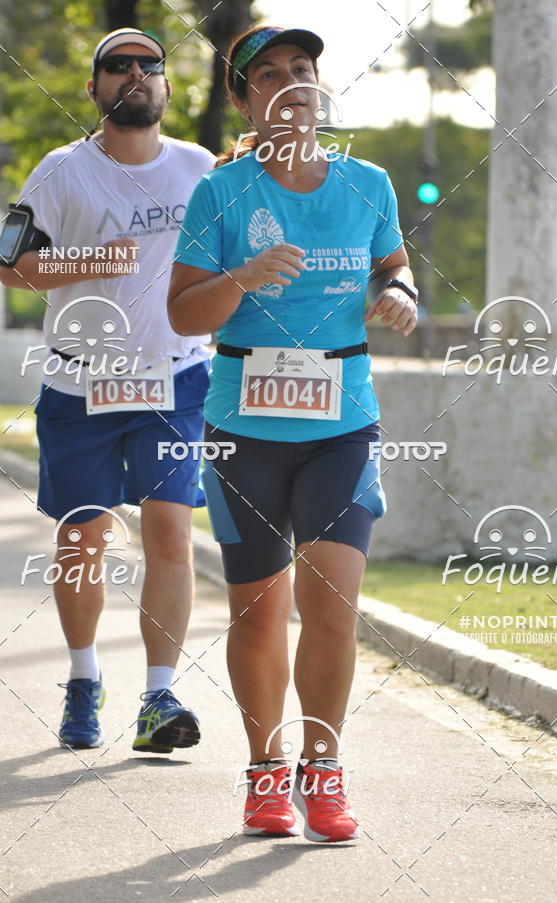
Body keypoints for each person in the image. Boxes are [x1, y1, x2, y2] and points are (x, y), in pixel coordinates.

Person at [168, 25, 418, 842]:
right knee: (257, 610)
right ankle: (265, 771)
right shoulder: (222, 192)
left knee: (334, 605)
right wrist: (240, 277)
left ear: (320, 87)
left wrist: (401, 296)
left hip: (340, 422)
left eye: (302, 70)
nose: (289, 84)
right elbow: (181, 311)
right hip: (244, 427)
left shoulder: (370, 182)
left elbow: (394, 267)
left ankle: (325, 767)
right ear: (244, 98)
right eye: (267, 75)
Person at [0, 28, 215, 753]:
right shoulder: (61, 172)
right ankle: (85, 679)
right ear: (93, 89)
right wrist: (90, 257)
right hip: (81, 383)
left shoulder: (197, 166)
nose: (134, 75)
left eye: (148, 66)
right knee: (83, 538)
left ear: (166, 87)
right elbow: (9, 263)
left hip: (176, 380)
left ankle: (158, 695)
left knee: (169, 531)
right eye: (116, 67)